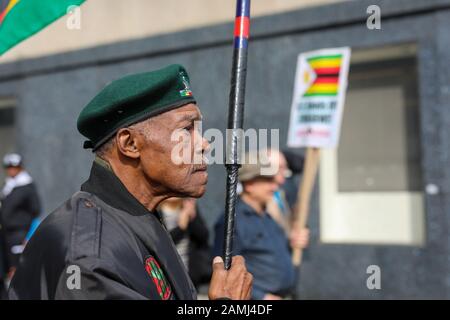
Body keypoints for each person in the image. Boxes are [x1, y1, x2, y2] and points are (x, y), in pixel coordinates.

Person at [8, 64, 252, 300]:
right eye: (186, 129)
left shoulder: (133, 216)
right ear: (130, 144)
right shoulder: (89, 254)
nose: (204, 143)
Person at [213, 150, 307, 300]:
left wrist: (292, 241)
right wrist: (261, 295)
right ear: (250, 184)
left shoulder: (268, 215)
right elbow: (223, 270)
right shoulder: (233, 221)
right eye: (268, 181)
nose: (275, 186)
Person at [0, 153, 40, 283]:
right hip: (7, 235)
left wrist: (28, 236)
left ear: (20, 167)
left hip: (20, 235)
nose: (11, 170)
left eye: (15, 167)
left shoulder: (27, 186)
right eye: (9, 167)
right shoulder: (9, 186)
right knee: (10, 270)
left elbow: (36, 211)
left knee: (21, 270)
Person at [159, 198, 212, 289]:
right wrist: (180, 228)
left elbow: (203, 236)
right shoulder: (157, 211)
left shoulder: (187, 206)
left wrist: (192, 218)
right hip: (167, 273)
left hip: (189, 272)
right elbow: (160, 244)